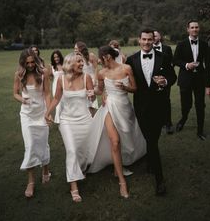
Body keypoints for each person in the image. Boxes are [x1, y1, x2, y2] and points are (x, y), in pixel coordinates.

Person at [88, 46, 146, 198]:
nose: (105, 61)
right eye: (103, 59)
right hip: (109, 107)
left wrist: (125, 87)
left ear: (112, 56)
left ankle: (117, 166)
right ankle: (122, 182)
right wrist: (90, 91)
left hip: (124, 106)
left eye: (107, 58)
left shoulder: (126, 68)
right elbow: (100, 90)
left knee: (126, 135)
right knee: (115, 141)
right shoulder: (101, 73)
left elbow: (135, 88)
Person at [126, 29, 176, 195]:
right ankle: (151, 165)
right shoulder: (131, 60)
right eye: (144, 39)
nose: (147, 42)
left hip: (159, 106)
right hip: (141, 107)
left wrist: (165, 81)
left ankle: (159, 180)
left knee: (152, 140)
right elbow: (126, 80)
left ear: (154, 41)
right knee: (150, 139)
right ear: (139, 40)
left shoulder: (164, 57)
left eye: (150, 40)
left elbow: (173, 77)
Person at [45, 52, 96, 203]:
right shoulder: (61, 78)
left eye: (82, 61)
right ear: (70, 64)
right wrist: (47, 112)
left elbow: (92, 98)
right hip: (67, 120)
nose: (82, 64)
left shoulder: (86, 77)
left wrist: (92, 95)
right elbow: (56, 98)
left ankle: (81, 168)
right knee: (72, 150)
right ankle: (74, 187)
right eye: (79, 62)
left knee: (83, 150)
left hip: (85, 120)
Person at [13, 48, 51, 198]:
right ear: (23, 62)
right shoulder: (19, 74)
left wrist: (48, 113)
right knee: (30, 146)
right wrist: (22, 99)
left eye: (32, 62)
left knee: (43, 143)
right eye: (27, 63)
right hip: (27, 115)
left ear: (35, 60)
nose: (30, 65)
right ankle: (31, 182)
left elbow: (47, 93)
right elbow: (15, 93)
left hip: (41, 113)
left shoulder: (44, 73)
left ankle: (46, 169)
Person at [173, 20, 208, 140]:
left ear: (199, 29)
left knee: (200, 105)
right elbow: (175, 60)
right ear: (188, 29)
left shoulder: (204, 44)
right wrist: (187, 65)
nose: (194, 29)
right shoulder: (181, 44)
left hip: (199, 79)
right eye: (192, 27)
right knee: (186, 105)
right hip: (185, 80)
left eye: (196, 27)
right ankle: (183, 119)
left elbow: (207, 61)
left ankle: (200, 130)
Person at [153, 30, 174, 134]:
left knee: (166, 101)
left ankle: (168, 124)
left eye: (155, 36)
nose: (154, 38)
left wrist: (165, 78)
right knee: (155, 102)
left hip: (165, 80)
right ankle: (159, 123)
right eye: (152, 36)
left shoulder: (167, 48)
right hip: (153, 81)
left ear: (160, 37)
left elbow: (171, 63)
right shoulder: (149, 49)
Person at [74, 41, 99, 116]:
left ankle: (92, 118)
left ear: (81, 48)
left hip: (91, 80)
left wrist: (95, 80)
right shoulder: (75, 58)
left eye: (76, 48)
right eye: (74, 49)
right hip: (81, 81)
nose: (74, 50)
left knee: (91, 102)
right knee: (82, 101)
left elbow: (96, 68)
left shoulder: (91, 55)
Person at [49, 50, 64, 123]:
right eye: (54, 57)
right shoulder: (52, 67)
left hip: (64, 85)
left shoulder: (64, 65)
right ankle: (58, 120)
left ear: (60, 57)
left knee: (64, 101)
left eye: (57, 57)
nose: (56, 59)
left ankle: (64, 118)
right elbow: (50, 77)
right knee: (58, 101)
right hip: (55, 86)